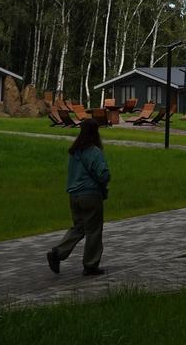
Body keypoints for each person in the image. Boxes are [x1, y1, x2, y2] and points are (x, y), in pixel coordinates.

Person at [47, 117, 110, 276]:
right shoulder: (94, 151)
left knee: (79, 227)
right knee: (94, 230)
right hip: (90, 195)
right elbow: (103, 174)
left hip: (74, 195)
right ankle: (90, 265)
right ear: (95, 132)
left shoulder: (74, 151)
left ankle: (58, 252)